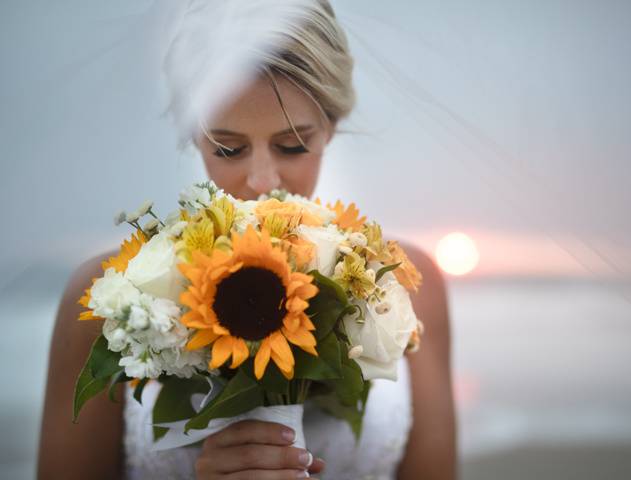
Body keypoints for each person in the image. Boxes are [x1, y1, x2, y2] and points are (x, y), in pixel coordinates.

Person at [38, 1, 456, 478]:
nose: (261, 180)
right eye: (228, 148)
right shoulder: (109, 295)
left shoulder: (402, 284)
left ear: (331, 126)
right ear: (195, 137)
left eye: (293, 144)